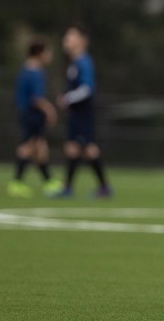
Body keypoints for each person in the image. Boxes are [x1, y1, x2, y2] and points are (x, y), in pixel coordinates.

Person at [55, 25, 111, 198]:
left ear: (82, 41)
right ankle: (69, 187)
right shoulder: (74, 62)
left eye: (70, 37)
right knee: (73, 148)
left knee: (88, 148)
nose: (66, 40)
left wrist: (68, 98)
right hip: (76, 113)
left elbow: (87, 89)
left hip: (83, 113)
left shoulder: (83, 62)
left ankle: (102, 187)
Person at [9, 37, 60, 197]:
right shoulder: (35, 72)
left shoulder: (25, 70)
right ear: (40, 53)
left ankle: (48, 181)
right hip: (32, 114)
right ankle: (16, 182)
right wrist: (50, 110)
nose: (50, 56)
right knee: (28, 146)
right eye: (48, 52)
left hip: (26, 112)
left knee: (40, 147)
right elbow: (37, 99)